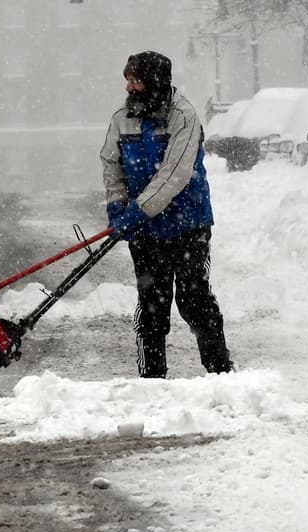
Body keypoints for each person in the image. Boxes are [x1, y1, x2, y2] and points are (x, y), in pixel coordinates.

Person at [100, 50, 234, 378]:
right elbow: (111, 162)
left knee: (194, 299)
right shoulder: (122, 117)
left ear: (156, 83)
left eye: (137, 81)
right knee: (151, 304)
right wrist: (117, 204)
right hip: (146, 231)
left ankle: (220, 373)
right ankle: (151, 378)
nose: (129, 87)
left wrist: (137, 212)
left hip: (189, 224)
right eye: (127, 80)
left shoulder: (183, 116)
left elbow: (174, 174)